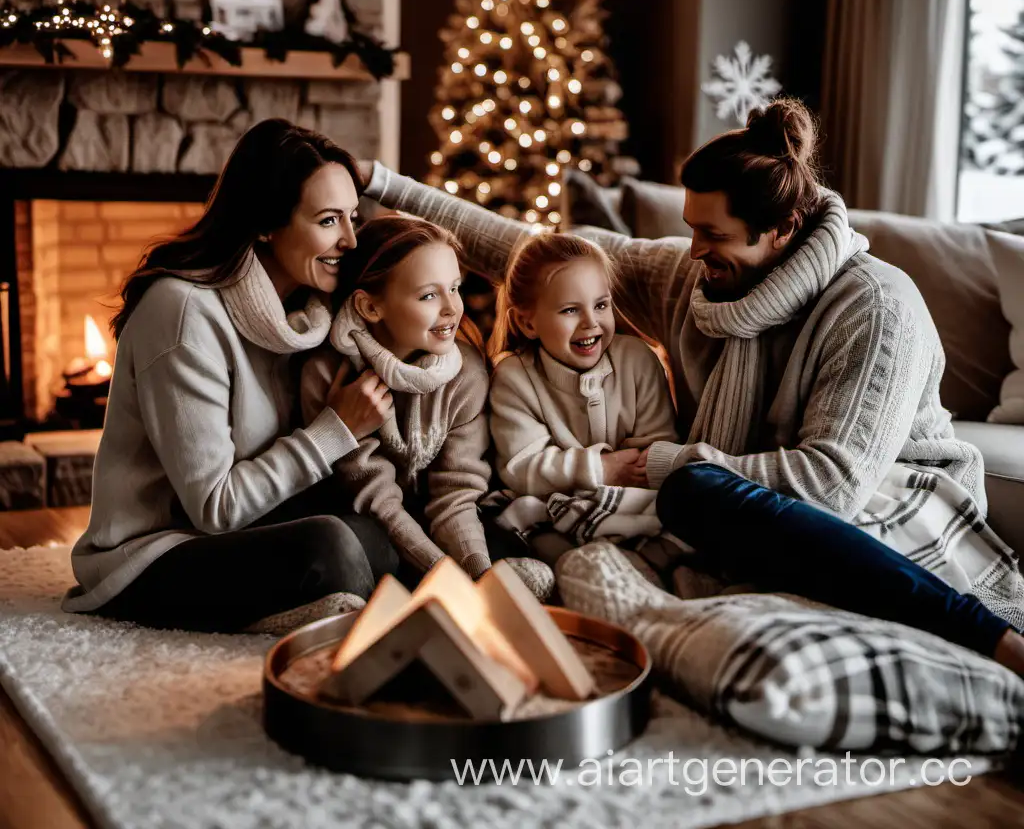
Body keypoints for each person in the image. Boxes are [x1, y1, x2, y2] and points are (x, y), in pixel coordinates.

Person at [354, 99, 1024, 675]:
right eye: (689, 228)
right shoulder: (693, 280)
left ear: (781, 230)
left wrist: (667, 463)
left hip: (886, 504)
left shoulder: (876, 307)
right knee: (595, 514)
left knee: (691, 491)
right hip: (735, 503)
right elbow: (531, 253)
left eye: (712, 234)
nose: (693, 249)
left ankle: (995, 642)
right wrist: (380, 181)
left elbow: (832, 487)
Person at [62, 119, 398, 635]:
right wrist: (336, 429)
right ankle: (351, 634)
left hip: (252, 525)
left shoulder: (309, 314)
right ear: (264, 222)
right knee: (330, 546)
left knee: (380, 532)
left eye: (353, 216)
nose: (351, 239)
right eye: (329, 220)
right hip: (153, 553)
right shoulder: (182, 313)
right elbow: (215, 507)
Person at [300, 215, 553, 597]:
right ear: (370, 307)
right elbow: (374, 498)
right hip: (365, 517)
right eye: (429, 295)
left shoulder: (465, 371)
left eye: (455, 288)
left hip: (435, 516)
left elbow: (456, 492)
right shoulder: (328, 375)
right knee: (364, 548)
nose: (452, 308)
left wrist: (478, 576)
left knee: (503, 545)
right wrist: (450, 581)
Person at [485, 231, 679, 574]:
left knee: (680, 512)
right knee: (528, 524)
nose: (591, 323)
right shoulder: (514, 377)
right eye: (570, 310)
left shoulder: (637, 359)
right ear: (527, 322)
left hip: (633, 499)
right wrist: (602, 468)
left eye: (601, 305)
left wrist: (626, 469)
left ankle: (650, 570)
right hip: (551, 504)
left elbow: (657, 445)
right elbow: (521, 466)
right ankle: (590, 575)